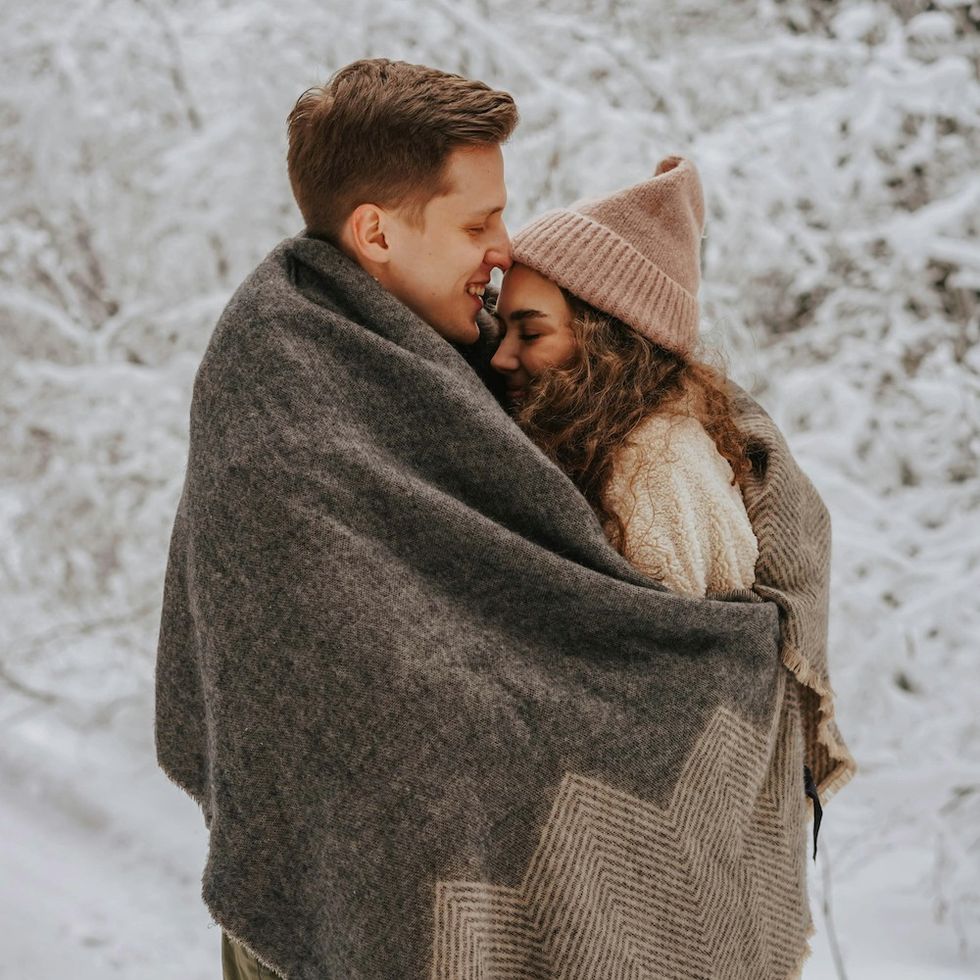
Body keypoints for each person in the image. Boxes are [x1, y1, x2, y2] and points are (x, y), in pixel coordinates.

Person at [155, 61, 855, 979]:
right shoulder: (284, 385)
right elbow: (372, 675)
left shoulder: (453, 350)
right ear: (374, 233)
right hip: (332, 891)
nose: (501, 242)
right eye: (478, 221)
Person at [489, 155, 758, 599]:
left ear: (611, 344)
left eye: (531, 333)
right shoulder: (609, 435)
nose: (500, 358)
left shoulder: (653, 472)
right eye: (502, 332)